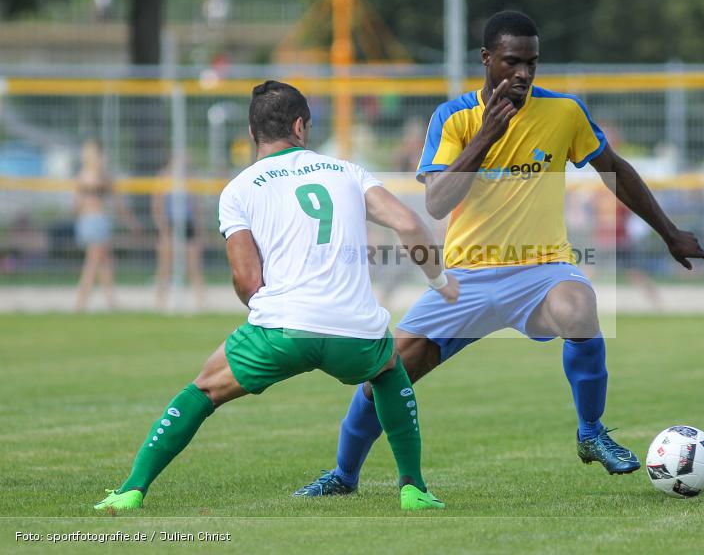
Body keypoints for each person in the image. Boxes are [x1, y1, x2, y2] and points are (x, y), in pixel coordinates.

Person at [297, 11, 704, 498]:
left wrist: (669, 232)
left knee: (579, 308)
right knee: (383, 377)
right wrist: (487, 136)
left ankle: (591, 432)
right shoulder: (453, 118)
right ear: (486, 60)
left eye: (532, 63)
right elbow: (436, 201)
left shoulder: (564, 112)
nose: (523, 73)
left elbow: (615, 170)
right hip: (464, 281)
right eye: (512, 61)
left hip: (541, 272)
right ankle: (344, 476)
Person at [94, 80, 458, 513]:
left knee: (203, 390)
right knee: (388, 371)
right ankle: (413, 488)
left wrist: (280, 316)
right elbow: (410, 225)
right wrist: (439, 282)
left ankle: (132, 489)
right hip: (354, 330)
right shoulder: (347, 171)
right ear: (301, 126)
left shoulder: (239, 189)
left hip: (281, 329)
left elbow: (246, 280)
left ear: (252, 134)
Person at [152, 159, 205, 310]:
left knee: (194, 265)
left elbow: (196, 206)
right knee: (165, 266)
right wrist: (163, 228)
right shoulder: (163, 177)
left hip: (187, 223)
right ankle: (160, 301)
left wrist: (199, 229)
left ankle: (200, 301)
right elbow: (157, 206)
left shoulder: (190, 178)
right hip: (170, 223)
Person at [74, 140, 116, 311]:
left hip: (88, 220)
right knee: (93, 263)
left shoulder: (83, 174)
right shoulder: (99, 175)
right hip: (95, 220)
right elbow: (112, 192)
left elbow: (75, 204)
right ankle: (81, 301)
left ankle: (110, 301)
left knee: (104, 262)